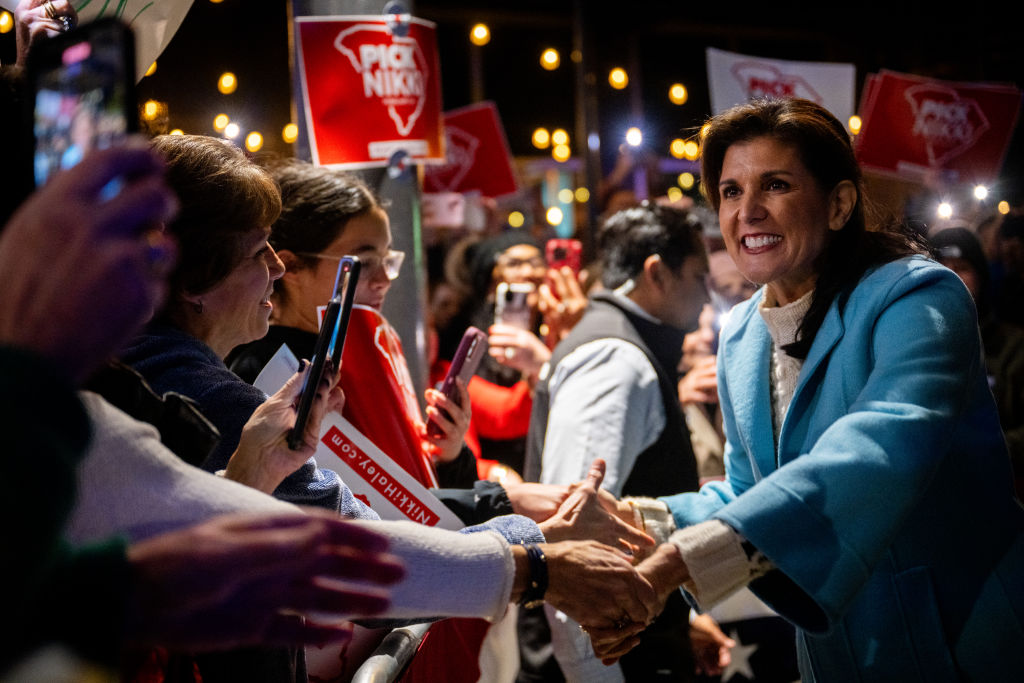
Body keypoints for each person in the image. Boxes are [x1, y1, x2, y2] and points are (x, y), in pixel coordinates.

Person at [588, 98, 1024, 682]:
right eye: (731, 192)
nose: (749, 212)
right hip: (836, 652)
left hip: (959, 640)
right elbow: (749, 494)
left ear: (839, 203)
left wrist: (682, 563)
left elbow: (877, 455)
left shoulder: (920, 296)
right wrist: (632, 523)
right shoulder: (741, 333)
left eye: (776, 185)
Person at [0, 143, 404, 673]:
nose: (277, 268)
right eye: (260, 250)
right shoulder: (166, 392)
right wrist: (525, 562)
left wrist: (245, 481)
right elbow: (367, 564)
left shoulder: (116, 383)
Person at [524, 203, 731, 682]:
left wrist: (680, 620)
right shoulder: (614, 359)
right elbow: (572, 545)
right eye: (700, 277)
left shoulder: (619, 345)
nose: (709, 295)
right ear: (657, 272)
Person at [931, 227, 1024, 498]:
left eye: (961, 267)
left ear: (982, 277)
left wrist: (981, 448)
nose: (950, 278)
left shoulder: (1013, 348)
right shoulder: (901, 348)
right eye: (938, 268)